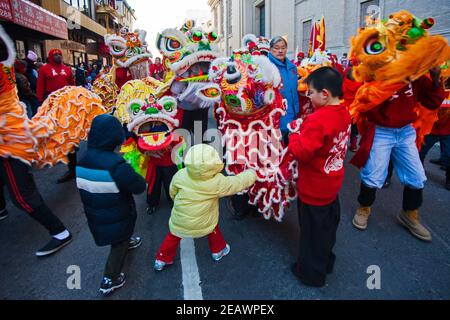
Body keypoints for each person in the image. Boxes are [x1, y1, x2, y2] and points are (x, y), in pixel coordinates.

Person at [352, 67, 445, 241]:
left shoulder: (415, 75)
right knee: (373, 174)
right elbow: (366, 105)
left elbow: (433, 101)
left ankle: (409, 214)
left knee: (416, 176)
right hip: (381, 131)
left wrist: (435, 77)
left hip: (405, 132)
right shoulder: (377, 74)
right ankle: (364, 207)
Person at [288, 67, 351, 287]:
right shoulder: (344, 112)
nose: (308, 97)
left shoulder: (317, 120)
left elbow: (301, 152)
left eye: (311, 93)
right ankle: (326, 262)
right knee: (327, 230)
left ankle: (311, 273)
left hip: (314, 188)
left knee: (311, 235)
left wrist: (294, 135)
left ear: (324, 93)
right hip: (331, 184)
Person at [154, 144, 257, 271]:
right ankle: (218, 250)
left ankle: (161, 259)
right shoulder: (217, 182)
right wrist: (252, 174)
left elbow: (172, 192)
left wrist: (178, 202)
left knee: (173, 235)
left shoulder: (181, 174)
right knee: (212, 228)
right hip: (205, 219)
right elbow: (237, 183)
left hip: (181, 218)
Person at [76, 114, 146, 295]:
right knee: (118, 242)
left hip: (95, 211)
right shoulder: (115, 164)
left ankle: (126, 240)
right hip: (117, 213)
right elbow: (137, 186)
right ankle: (110, 278)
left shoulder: (83, 158)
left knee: (117, 235)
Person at [268, 36, 300, 144]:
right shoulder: (267, 67)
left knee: (289, 147)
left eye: (283, 47)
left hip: (293, 112)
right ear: (270, 49)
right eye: (276, 48)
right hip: (276, 116)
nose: (280, 51)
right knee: (275, 148)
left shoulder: (292, 67)